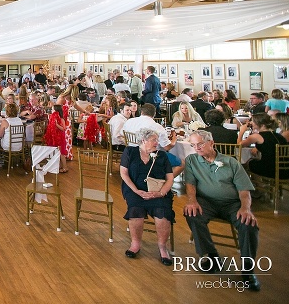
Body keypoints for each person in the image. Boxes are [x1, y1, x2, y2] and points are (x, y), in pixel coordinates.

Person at [184, 131, 261, 291]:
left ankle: (248, 270)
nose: (196, 148)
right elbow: (190, 184)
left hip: (231, 204)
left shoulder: (231, 162)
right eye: (193, 145)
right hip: (206, 202)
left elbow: (244, 190)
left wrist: (246, 208)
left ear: (212, 143)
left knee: (248, 224)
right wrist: (192, 201)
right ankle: (212, 257)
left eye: (200, 144)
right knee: (192, 214)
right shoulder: (192, 160)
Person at [120, 128, 174, 264]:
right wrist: (136, 191)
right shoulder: (130, 152)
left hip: (158, 192)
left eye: (157, 140)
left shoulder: (161, 155)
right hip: (134, 191)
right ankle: (135, 244)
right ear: (143, 140)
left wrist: (161, 193)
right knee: (135, 210)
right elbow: (124, 174)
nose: (157, 143)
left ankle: (162, 247)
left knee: (162, 212)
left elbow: (170, 178)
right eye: (154, 140)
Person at [241, 113, 288, 180]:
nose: (251, 123)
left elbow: (239, 145)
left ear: (262, 125)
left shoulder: (256, 136)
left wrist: (241, 131)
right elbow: (270, 146)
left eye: (254, 121)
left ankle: (255, 186)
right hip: (285, 170)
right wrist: (258, 147)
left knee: (247, 162)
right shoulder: (279, 136)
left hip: (270, 170)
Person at [44, 104, 68, 172]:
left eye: (52, 109)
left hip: (60, 138)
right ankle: (59, 166)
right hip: (55, 137)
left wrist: (57, 125)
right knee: (57, 152)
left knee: (61, 153)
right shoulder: (53, 118)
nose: (51, 111)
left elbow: (63, 129)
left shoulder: (61, 119)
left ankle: (65, 167)